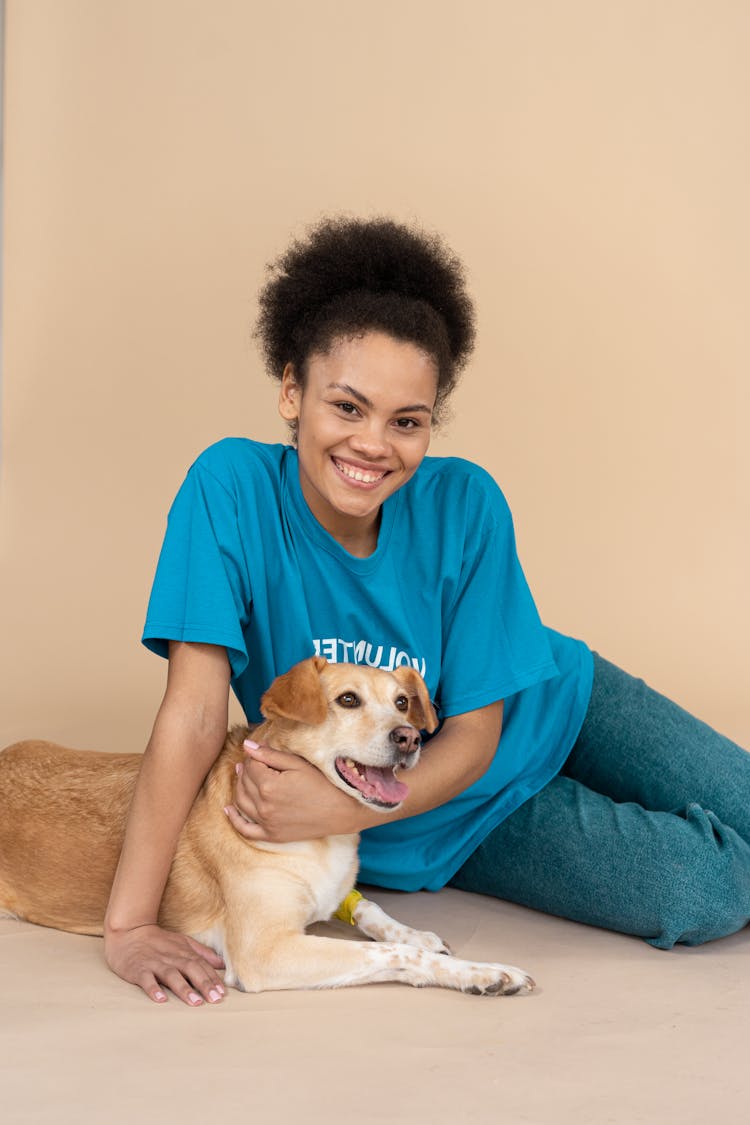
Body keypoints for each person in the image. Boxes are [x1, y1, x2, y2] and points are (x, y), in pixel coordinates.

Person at [104, 216, 750, 1005]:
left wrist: (331, 799)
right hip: (439, 811)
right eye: (347, 407)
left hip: (556, 701)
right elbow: (196, 716)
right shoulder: (228, 490)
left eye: (407, 421)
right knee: (704, 889)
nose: (374, 444)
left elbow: (476, 729)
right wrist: (130, 924)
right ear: (290, 391)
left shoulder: (467, 501)